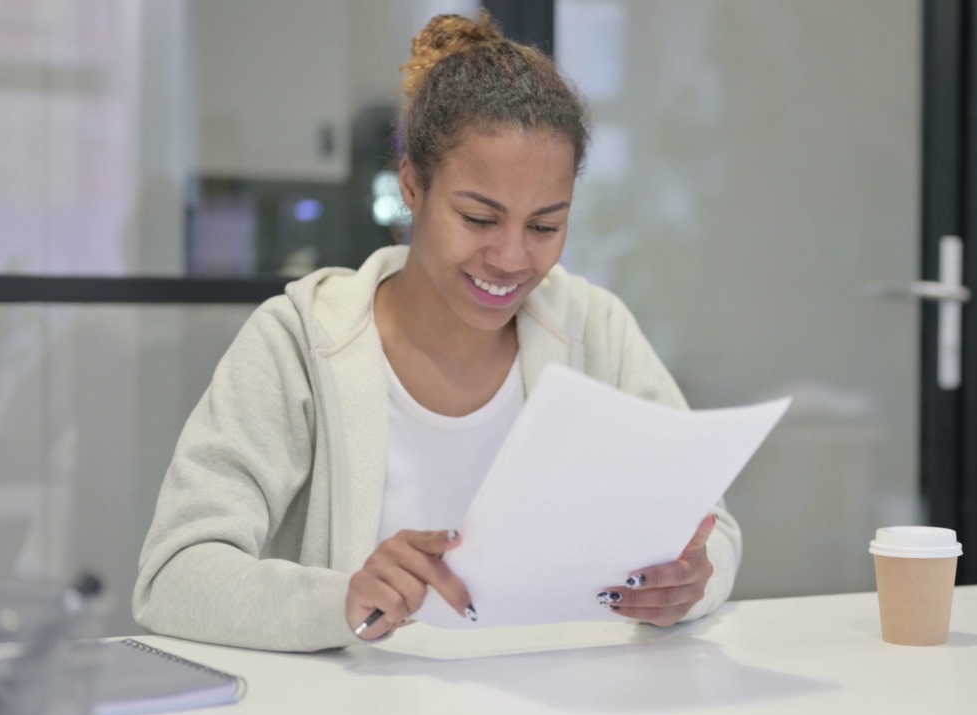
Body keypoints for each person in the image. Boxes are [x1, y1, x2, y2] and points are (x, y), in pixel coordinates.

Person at [132, 11, 742, 652]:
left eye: (544, 226)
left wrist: (689, 583)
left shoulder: (595, 329)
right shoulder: (299, 343)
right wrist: (341, 598)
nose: (510, 258)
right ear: (413, 188)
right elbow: (175, 575)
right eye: (480, 218)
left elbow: (711, 530)